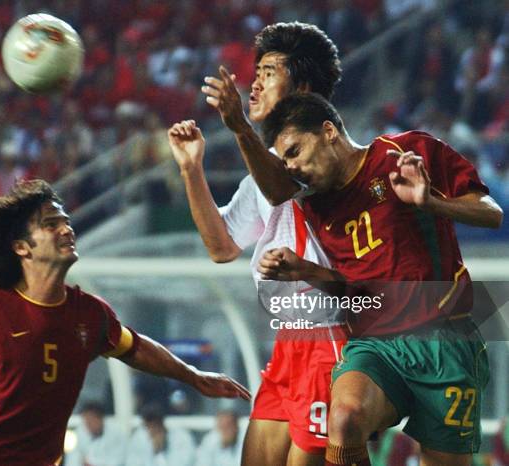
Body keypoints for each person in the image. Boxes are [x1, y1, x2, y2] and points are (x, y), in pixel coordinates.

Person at [0, 179, 250, 466]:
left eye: (66, 220)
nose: (66, 228)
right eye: (51, 224)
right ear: (22, 247)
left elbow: (135, 347)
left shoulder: (89, 314)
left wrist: (194, 376)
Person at [246, 92, 503, 466]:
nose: (292, 168)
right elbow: (354, 289)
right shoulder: (318, 207)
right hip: (376, 344)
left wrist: (431, 202)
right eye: (284, 162)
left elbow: (490, 213)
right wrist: (305, 271)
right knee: (345, 416)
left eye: (294, 151)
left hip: (445, 341)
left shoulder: (406, 151)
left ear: (328, 131)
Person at [170, 21, 344, 466]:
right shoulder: (261, 175)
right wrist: (192, 170)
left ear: (303, 85)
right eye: (258, 70)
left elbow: (283, 188)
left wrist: (239, 127)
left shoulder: (327, 148)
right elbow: (221, 246)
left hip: (332, 338)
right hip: (290, 342)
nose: (256, 82)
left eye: (270, 71)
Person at [125, 403, 196, 466]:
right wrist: (155, 452)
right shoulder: (139, 438)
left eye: (155, 427)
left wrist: (160, 452)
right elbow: (132, 462)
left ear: (162, 423)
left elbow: (186, 462)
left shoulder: (182, 437)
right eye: (147, 427)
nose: (151, 431)